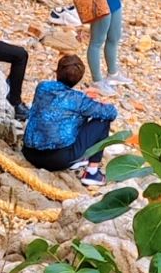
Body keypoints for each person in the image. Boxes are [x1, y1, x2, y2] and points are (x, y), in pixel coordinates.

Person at [22, 53, 118, 184]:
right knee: (102, 120)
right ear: (79, 79)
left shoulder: (42, 87)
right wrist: (97, 102)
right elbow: (111, 113)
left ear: (57, 71)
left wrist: (85, 100)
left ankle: (79, 161)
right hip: (57, 159)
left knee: (70, 116)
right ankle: (92, 173)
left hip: (29, 153)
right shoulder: (79, 100)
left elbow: (61, 104)